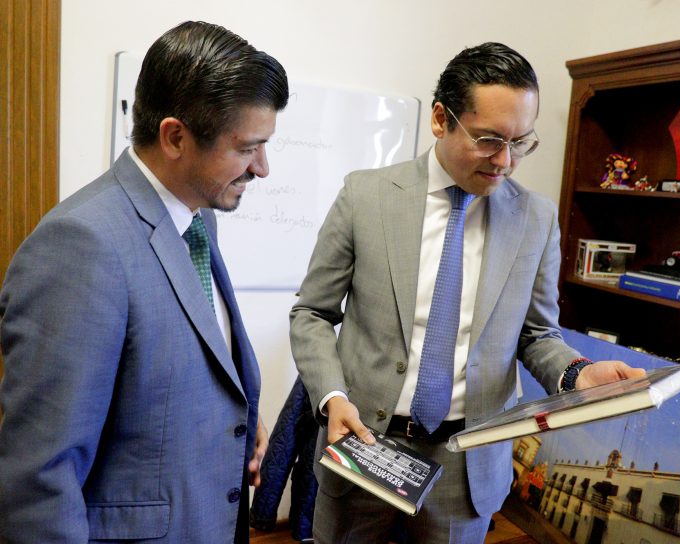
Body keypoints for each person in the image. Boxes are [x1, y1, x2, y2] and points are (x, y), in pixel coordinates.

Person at [289, 42, 645, 543]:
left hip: (466, 465)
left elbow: (537, 334)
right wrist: (331, 396)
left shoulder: (536, 219)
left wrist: (579, 374)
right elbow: (311, 312)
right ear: (441, 119)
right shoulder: (365, 196)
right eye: (489, 140)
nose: (505, 161)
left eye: (520, 142)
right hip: (365, 446)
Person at [0, 21, 288, 543]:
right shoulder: (80, 246)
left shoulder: (199, 217)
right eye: (248, 148)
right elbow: (40, 477)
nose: (262, 168)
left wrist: (237, 425)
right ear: (175, 137)